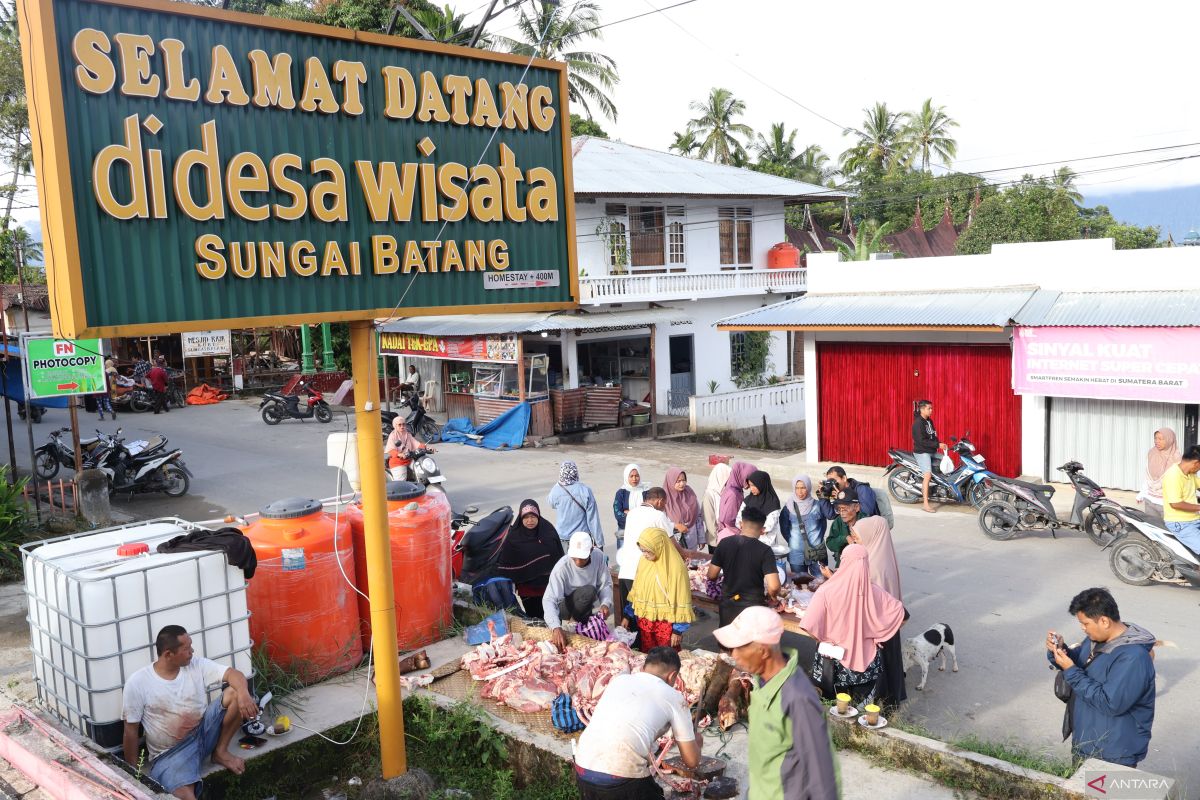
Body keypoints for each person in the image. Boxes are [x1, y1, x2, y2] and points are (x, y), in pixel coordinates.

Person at [714, 607, 838, 800]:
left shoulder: (797, 698)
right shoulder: (762, 683)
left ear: (762, 651)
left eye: (738, 648)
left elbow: (821, 776)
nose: (734, 655)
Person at [122, 625, 257, 800]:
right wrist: (133, 775)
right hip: (170, 755)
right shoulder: (138, 683)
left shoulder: (196, 665)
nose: (192, 651)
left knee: (236, 692)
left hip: (203, 733)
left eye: (190, 645)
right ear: (168, 655)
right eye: (186, 649)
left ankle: (220, 752)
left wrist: (244, 695)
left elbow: (233, 674)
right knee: (185, 797)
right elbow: (130, 732)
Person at [1046, 588, 1157, 767]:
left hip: (1111, 753)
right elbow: (1081, 662)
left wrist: (1071, 670)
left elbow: (1110, 703)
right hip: (1087, 741)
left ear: (1104, 621)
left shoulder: (1133, 657)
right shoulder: (1096, 639)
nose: (1083, 628)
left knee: (1099, 794)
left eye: (1085, 623)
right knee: (1081, 793)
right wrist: (1059, 651)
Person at [573, 646, 700, 799]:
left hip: (582, 767)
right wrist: (697, 742)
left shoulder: (620, 680)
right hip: (620, 776)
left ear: (643, 667)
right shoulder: (674, 697)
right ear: (673, 676)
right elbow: (691, 761)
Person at [801, 544, 905, 706]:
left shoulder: (826, 591)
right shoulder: (875, 592)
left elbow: (809, 625)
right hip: (866, 663)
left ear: (843, 562)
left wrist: (824, 639)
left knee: (831, 707)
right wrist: (879, 635)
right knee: (860, 709)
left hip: (832, 661)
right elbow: (902, 616)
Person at [707, 507, 781, 627]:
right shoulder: (765, 551)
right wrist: (772, 596)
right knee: (750, 644)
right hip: (753, 607)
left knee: (728, 642)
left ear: (741, 524)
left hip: (729, 604)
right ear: (762, 530)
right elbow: (774, 586)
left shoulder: (724, 543)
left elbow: (712, 575)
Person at [543, 531, 614, 652]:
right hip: (564, 606)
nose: (578, 562)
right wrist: (555, 627)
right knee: (588, 591)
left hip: (585, 603)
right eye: (575, 558)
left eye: (582, 558)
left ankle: (580, 625)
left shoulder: (599, 557)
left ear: (591, 551)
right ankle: (571, 624)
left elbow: (605, 584)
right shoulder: (562, 567)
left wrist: (605, 603)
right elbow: (549, 599)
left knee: (589, 594)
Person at [494, 500, 564, 620]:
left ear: (538, 516)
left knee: (553, 618)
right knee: (534, 619)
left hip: (548, 588)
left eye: (533, 517)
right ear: (521, 518)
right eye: (526, 517)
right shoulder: (513, 536)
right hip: (527, 590)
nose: (530, 521)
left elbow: (558, 558)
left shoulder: (548, 531)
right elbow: (506, 562)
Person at [628, 527, 695, 651]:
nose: (645, 555)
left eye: (648, 551)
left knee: (666, 657)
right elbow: (637, 589)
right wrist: (628, 614)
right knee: (648, 655)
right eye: (642, 551)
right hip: (646, 620)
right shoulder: (644, 562)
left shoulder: (676, 568)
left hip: (665, 623)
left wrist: (678, 630)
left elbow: (682, 598)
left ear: (659, 547)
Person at [617, 488, 674, 632]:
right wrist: (686, 555)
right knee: (643, 621)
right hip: (642, 573)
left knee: (629, 621)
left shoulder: (632, 513)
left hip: (625, 571)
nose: (664, 507)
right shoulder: (658, 516)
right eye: (665, 504)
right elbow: (671, 542)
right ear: (660, 501)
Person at [548, 461, 605, 548]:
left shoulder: (555, 491)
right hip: (582, 538)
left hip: (562, 538)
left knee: (565, 561)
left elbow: (551, 504)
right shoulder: (585, 490)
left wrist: (559, 483)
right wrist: (599, 541)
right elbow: (593, 519)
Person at [780, 474, 826, 578]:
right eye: (797, 488)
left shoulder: (818, 505)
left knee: (821, 584)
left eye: (803, 488)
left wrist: (817, 539)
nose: (800, 492)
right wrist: (794, 541)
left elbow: (823, 526)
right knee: (800, 586)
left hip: (817, 552)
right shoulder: (788, 507)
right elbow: (784, 528)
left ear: (808, 487)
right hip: (796, 554)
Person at [817, 465, 893, 529]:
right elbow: (830, 515)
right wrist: (823, 496)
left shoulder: (862, 489)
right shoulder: (838, 492)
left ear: (844, 478)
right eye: (829, 481)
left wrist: (843, 499)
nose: (833, 484)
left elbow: (866, 514)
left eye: (834, 480)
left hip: (869, 528)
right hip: (850, 530)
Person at [1160, 445, 1200, 555]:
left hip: (1195, 519)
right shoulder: (1173, 475)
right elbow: (1176, 504)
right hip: (1180, 523)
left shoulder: (1190, 473)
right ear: (1196, 463)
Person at [853, 516, 902, 604]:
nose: (854, 540)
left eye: (857, 537)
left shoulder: (869, 564)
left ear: (869, 536)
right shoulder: (887, 557)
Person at [912, 399, 948, 514]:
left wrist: (940, 444)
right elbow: (921, 441)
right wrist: (938, 444)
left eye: (931, 408)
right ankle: (926, 504)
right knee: (927, 475)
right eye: (929, 408)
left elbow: (933, 436)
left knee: (945, 461)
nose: (931, 410)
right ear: (922, 409)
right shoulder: (918, 423)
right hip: (922, 452)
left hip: (931, 450)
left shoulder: (929, 421)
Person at [1140, 428, 1181, 521]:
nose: (1156, 441)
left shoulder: (1176, 458)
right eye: (1155, 438)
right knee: (1152, 528)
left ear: (1170, 440)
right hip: (1150, 499)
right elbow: (1146, 475)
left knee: (1169, 531)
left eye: (1161, 439)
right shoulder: (1152, 453)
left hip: (1167, 502)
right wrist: (1142, 492)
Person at [663, 468, 704, 550]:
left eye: (684, 480)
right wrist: (675, 525)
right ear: (671, 481)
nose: (682, 484)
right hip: (673, 542)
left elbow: (698, 517)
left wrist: (701, 539)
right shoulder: (664, 498)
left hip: (692, 540)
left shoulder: (689, 493)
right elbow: (661, 521)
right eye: (678, 481)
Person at [824, 487, 865, 566]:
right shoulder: (838, 522)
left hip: (862, 565)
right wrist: (844, 538)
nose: (842, 513)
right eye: (839, 509)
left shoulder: (866, 521)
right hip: (843, 564)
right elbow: (830, 544)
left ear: (856, 507)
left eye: (845, 509)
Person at [718, 461, 758, 540]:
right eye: (749, 480)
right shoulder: (734, 494)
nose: (751, 484)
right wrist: (741, 531)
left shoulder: (734, 488)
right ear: (742, 476)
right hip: (730, 536)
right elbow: (727, 519)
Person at [613, 464, 645, 551]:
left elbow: (649, 512)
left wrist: (630, 513)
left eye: (637, 476)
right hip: (625, 531)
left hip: (642, 532)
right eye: (631, 476)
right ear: (626, 477)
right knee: (623, 559)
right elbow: (618, 514)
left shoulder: (645, 492)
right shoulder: (621, 493)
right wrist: (638, 514)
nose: (634, 479)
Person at [702, 462, 732, 551]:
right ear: (721, 477)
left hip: (725, 538)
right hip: (715, 541)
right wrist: (718, 540)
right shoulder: (709, 495)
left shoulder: (723, 492)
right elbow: (710, 522)